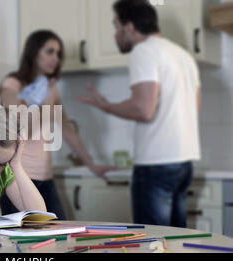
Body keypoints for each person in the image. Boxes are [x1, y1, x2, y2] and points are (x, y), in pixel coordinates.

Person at [77, 0, 201, 227]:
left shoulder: (143, 52)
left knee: (153, 240)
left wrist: (106, 106)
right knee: (177, 239)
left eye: (116, 26)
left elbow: (144, 110)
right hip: (184, 162)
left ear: (130, 27)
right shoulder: (184, 56)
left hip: (156, 163)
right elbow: (195, 108)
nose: (115, 34)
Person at [0, 29, 117, 220]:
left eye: (59, 54)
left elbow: (67, 129)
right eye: (50, 51)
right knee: (20, 239)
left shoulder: (51, 89)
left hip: (46, 179)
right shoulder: (13, 83)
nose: (56, 58)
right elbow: (17, 121)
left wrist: (91, 165)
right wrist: (31, 99)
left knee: (60, 234)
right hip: (17, 179)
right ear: (34, 52)